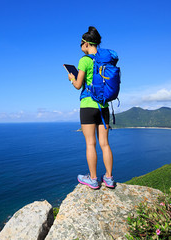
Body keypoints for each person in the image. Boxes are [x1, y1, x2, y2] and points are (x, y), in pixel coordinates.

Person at [68, 26, 115, 189]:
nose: (81, 47)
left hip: (88, 105)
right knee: (105, 143)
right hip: (103, 105)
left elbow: (78, 85)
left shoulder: (84, 60)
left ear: (86, 44)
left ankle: (93, 179)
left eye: (81, 44)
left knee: (90, 144)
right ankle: (109, 178)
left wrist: (71, 78)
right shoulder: (106, 60)